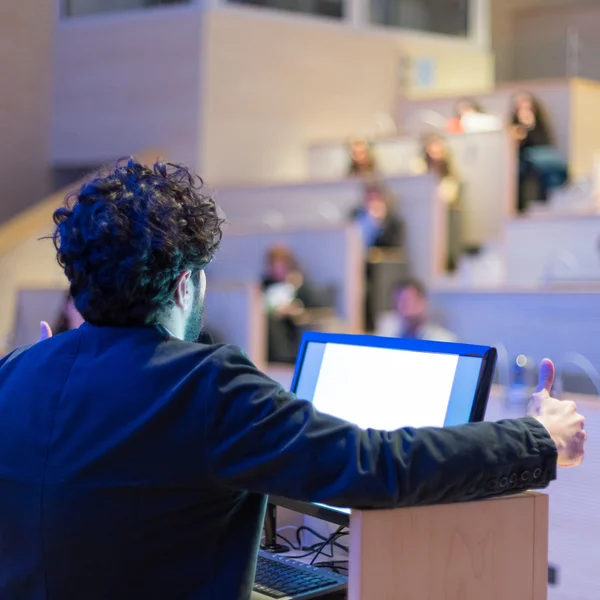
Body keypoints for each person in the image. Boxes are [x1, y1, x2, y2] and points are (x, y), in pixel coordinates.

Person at [0, 159, 585, 600]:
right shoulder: (204, 387)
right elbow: (375, 465)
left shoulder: (17, 372)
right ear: (185, 285)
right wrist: (537, 436)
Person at [350, 184, 403, 331]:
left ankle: (372, 328)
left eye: (376, 197)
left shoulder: (392, 222)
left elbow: (393, 247)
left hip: (380, 270)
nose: (372, 201)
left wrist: (379, 224)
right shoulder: (356, 216)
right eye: (369, 197)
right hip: (355, 264)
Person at [509, 91, 568, 213]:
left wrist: (529, 127)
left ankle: (545, 204)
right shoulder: (513, 124)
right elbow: (513, 147)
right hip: (519, 159)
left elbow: (543, 142)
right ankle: (519, 208)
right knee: (520, 171)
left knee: (546, 169)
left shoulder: (539, 123)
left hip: (537, 157)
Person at [261, 244, 319, 364]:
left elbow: (308, 305)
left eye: (279, 266)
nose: (276, 270)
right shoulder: (265, 283)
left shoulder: (298, 285)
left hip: (289, 325)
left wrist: (292, 308)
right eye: (273, 266)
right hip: (268, 322)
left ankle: (284, 358)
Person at [413, 134, 462, 271]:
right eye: (431, 147)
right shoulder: (419, 171)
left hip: (444, 223)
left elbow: (449, 197)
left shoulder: (451, 178)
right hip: (423, 223)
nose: (435, 151)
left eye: (438, 147)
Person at [376, 277, 457, 342]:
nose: (403, 309)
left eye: (407, 302)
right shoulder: (388, 338)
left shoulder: (444, 340)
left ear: (423, 302)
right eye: (398, 302)